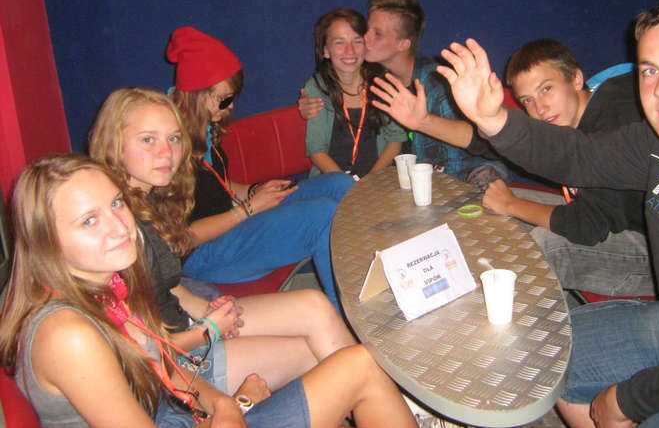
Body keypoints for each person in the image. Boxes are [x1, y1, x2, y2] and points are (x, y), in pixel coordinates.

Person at [435, 0, 659, 427]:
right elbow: (577, 156)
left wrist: (626, 401)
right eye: (650, 70)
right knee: (543, 360)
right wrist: (494, 120)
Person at [0, 153, 417, 427]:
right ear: (45, 241)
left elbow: (162, 368)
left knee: (339, 358)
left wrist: (222, 403)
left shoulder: (107, 285)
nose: (119, 226)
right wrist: (242, 406)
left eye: (116, 204)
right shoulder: (67, 334)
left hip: (180, 412)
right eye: (88, 221)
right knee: (359, 366)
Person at [89, 87, 358, 392]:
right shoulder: (114, 227)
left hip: (188, 323)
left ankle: (371, 387)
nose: (166, 152)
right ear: (113, 142)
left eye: (174, 138)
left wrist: (206, 309)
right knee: (320, 351)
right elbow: (138, 347)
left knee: (314, 305)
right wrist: (209, 329)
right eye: (148, 139)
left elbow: (169, 286)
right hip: (176, 361)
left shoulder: (146, 201)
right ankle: (365, 391)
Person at [373, 38, 655, 298]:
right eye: (527, 100)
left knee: (547, 246)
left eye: (546, 89)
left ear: (576, 78)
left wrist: (511, 204)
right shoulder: (568, 118)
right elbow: (487, 142)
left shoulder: (616, 117)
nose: (540, 108)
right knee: (482, 205)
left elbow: (586, 225)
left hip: (653, 252)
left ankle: (509, 327)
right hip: (600, 218)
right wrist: (423, 122)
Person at [165, 26, 355, 311]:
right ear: (197, 95)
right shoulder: (168, 148)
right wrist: (249, 209)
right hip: (203, 254)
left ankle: (366, 280)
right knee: (323, 215)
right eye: (224, 98)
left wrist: (255, 191)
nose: (231, 106)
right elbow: (180, 239)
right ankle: (345, 316)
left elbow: (217, 185)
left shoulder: (203, 126)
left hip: (234, 222)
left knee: (339, 184)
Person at [299, 0, 507, 185]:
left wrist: (424, 122)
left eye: (377, 34)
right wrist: (310, 106)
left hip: (469, 175)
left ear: (403, 44)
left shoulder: (437, 83)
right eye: (366, 30)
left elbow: (483, 143)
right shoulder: (378, 80)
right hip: (419, 182)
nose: (365, 38)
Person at [304, 8, 407, 178]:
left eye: (357, 41)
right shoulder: (317, 87)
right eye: (339, 42)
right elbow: (316, 151)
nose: (350, 50)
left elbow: (396, 140)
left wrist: (370, 182)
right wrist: (347, 186)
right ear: (325, 51)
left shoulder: (383, 83)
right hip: (331, 180)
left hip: (378, 179)